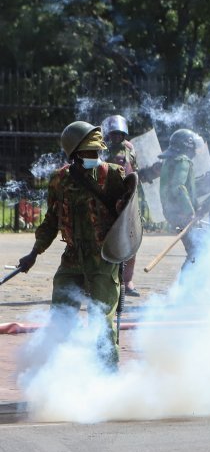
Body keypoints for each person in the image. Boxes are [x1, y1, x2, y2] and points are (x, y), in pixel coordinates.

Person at [16, 121, 129, 369]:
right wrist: (34, 253)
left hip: (103, 259)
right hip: (72, 259)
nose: (94, 156)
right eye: (88, 152)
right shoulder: (60, 180)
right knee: (60, 318)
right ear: (74, 154)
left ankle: (107, 377)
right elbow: (51, 220)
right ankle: (60, 375)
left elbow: (129, 221)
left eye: (97, 151)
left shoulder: (112, 175)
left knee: (101, 321)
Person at [101, 114, 141, 296]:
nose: (117, 136)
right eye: (113, 133)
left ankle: (127, 281)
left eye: (119, 133)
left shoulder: (129, 148)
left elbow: (134, 170)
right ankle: (99, 281)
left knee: (130, 239)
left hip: (127, 199)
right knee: (104, 240)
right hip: (107, 198)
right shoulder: (101, 149)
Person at [159, 128, 203, 274]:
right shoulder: (183, 161)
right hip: (182, 214)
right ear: (188, 146)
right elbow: (178, 187)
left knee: (195, 250)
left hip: (172, 212)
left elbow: (188, 188)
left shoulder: (170, 161)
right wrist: (190, 212)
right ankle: (185, 287)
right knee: (197, 252)